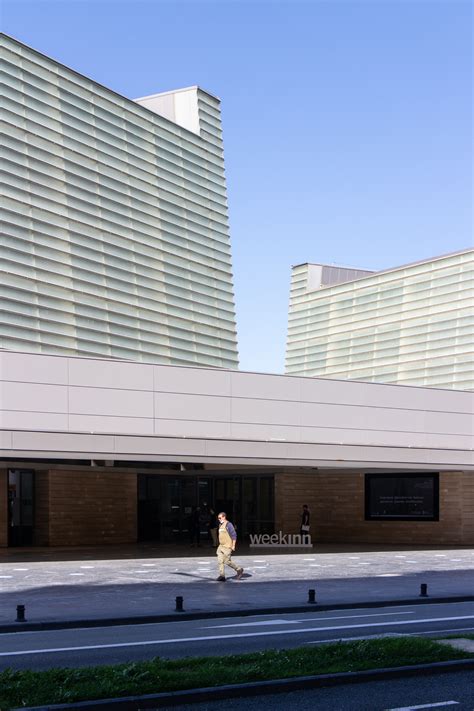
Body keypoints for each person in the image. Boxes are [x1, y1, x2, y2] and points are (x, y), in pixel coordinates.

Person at [216, 512, 244, 581]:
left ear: (224, 517)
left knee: (227, 561)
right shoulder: (220, 525)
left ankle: (239, 569)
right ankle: (222, 576)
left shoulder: (229, 524)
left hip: (227, 546)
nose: (219, 519)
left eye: (220, 518)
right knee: (220, 561)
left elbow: (234, 535)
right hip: (221, 546)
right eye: (218, 518)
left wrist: (233, 545)